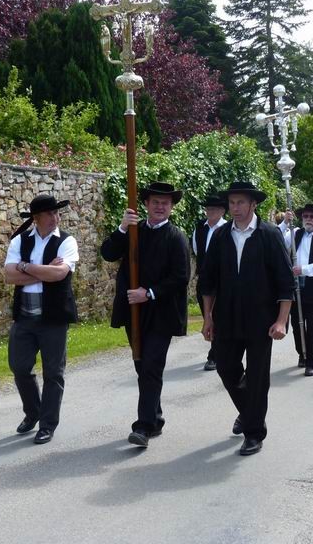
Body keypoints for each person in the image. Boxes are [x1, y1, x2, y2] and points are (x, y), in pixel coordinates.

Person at [199, 181, 293, 456]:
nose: (235, 208)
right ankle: (251, 412)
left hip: (261, 320)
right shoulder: (221, 236)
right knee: (226, 367)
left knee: (257, 376)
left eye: (241, 202)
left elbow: (285, 281)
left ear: (254, 204)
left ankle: (254, 433)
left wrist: (281, 321)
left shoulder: (269, 234)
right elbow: (208, 283)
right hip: (226, 317)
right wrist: (207, 318)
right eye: (232, 203)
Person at [101, 182, 190, 449]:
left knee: (151, 365)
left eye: (165, 203)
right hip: (134, 313)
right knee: (142, 366)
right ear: (146, 205)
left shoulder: (176, 237)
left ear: (171, 207)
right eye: (155, 202)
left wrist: (149, 293)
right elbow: (108, 253)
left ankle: (143, 426)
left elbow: (181, 277)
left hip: (161, 313)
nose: (160, 207)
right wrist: (121, 228)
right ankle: (156, 417)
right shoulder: (133, 232)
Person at [4, 194, 80, 445]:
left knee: (53, 372)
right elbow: (9, 276)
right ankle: (33, 411)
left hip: (54, 317)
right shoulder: (19, 240)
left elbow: (59, 274)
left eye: (57, 213)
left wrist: (25, 267)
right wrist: (42, 271)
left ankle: (47, 424)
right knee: (19, 367)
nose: (55, 218)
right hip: (25, 315)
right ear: (36, 218)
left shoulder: (67, 242)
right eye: (49, 214)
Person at [279, 203, 313, 376]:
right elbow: (277, 239)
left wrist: (303, 270)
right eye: (305, 216)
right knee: (297, 323)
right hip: (295, 286)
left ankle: (311, 361)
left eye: (312, 217)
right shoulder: (295, 233)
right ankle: (302, 354)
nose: (308, 220)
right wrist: (285, 223)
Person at [192, 194, 228, 371]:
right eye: (208, 209)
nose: (210, 212)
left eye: (214, 209)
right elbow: (197, 249)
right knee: (208, 316)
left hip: (223, 280)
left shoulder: (228, 229)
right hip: (205, 278)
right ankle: (217, 350)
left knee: (218, 315)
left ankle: (214, 355)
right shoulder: (200, 227)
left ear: (222, 211)